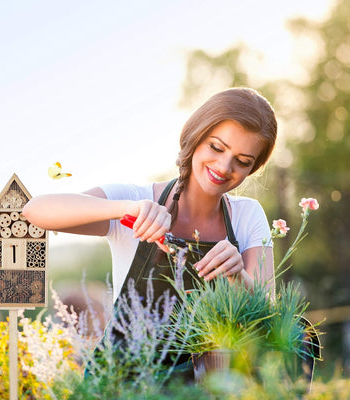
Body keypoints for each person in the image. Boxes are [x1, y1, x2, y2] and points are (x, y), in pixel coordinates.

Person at [22, 87, 277, 375]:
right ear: (196, 136)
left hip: (205, 388)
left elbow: (268, 319)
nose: (224, 166)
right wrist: (126, 210)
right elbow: (36, 211)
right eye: (216, 147)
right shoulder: (134, 196)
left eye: (243, 161)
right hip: (121, 385)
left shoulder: (247, 215)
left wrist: (237, 275)